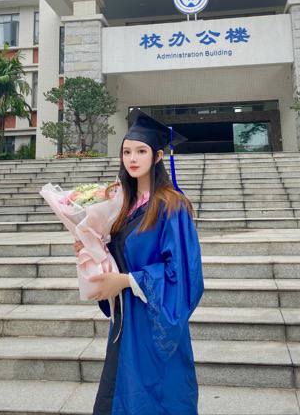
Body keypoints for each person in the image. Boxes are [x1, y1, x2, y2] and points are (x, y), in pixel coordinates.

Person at [73, 108, 204, 415]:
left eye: (141, 151)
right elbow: (117, 255)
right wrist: (90, 248)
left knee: (155, 397)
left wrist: (126, 280)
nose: (132, 158)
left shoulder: (171, 206)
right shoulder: (122, 205)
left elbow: (183, 275)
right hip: (127, 318)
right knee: (120, 394)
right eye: (127, 151)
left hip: (156, 323)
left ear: (158, 157)